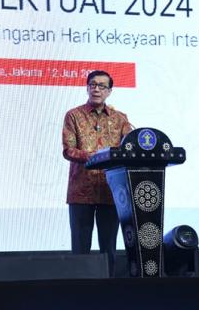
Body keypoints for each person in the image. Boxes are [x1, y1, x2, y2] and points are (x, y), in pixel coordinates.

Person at [62, 70, 132, 274]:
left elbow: (128, 149)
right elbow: (68, 150)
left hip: (110, 191)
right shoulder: (74, 115)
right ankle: (79, 288)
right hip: (81, 191)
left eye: (102, 86)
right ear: (87, 88)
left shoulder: (121, 119)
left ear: (109, 91)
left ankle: (108, 288)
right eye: (92, 84)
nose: (96, 89)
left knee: (108, 249)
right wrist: (97, 157)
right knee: (80, 249)